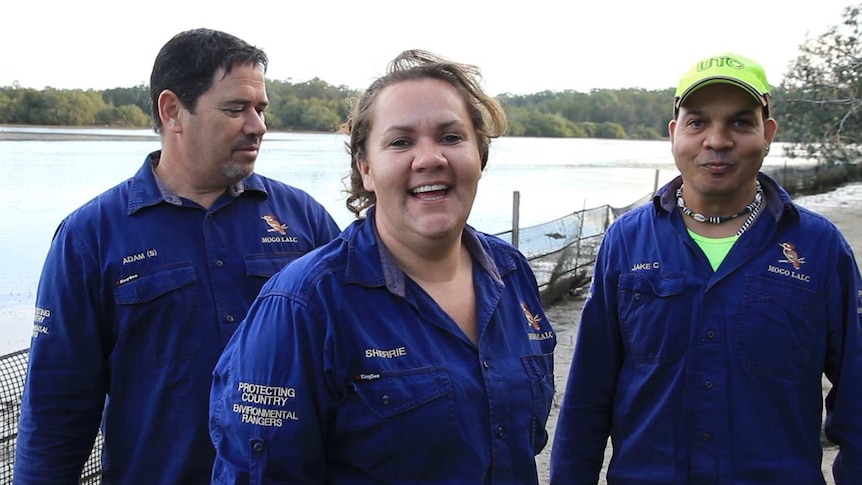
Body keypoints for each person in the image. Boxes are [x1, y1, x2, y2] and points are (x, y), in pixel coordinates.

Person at [208, 49, 557, 484]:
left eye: (451, 137)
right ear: (366, 169)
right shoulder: (304, 305)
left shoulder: (511, 274)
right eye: (401, 142)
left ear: (480, 156)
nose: (430, 158)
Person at [13, 28, 340, 485]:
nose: (258, 125)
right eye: (235, 109)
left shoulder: (304, 220)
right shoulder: (90, 237)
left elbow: (355, 361)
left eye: (260, 109)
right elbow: (54, 408)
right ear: (173, 111)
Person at [550, 52, 862, 484]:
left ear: (767, 133)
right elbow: (588, 393)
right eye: (698, 122)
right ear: (675, 133)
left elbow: (857, 395)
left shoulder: (819, 247)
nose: (717, 140)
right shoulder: (626, 241)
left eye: (740, 122)